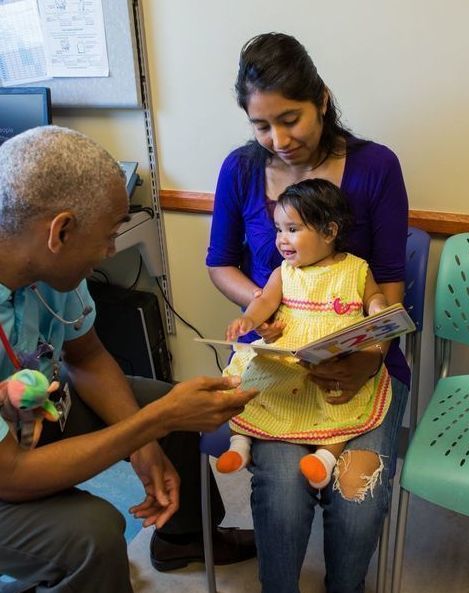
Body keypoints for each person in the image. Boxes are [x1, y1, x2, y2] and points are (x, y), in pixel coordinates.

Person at [0, 125, 259, 593]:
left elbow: (89, 355)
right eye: (109, 235)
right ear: (60, 230)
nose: (111, 250)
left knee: (171, 410)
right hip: (6, 466)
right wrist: (148, 426)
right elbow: (11, 475)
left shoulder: (46, 264)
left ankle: (184, 541)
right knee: (93, 534)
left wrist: (147, 443)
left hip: (34, 413)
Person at [206, 32, 410, 593]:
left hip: (365, 366)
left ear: (321, 98)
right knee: (281, 490)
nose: (279, 139)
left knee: (355, 496)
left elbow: (389, 283)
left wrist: (368, 358)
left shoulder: (376, 167)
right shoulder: (241, 170)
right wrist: (265, 306)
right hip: (278, 366)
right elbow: (220, 263)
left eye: (290, 119)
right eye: (261, 126)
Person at [216, 178, 391, 491]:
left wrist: (378, 309)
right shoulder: (284, 272)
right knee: (254, 388)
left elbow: (374, 298)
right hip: (287, 356)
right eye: (278, 229)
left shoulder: (356, 269)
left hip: (329, 360)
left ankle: (325, 457)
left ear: (329, 232)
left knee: (340, 405)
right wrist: (248, 319)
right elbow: (264, 301)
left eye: (292, 229)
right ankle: (240, 443)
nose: (282, 239)